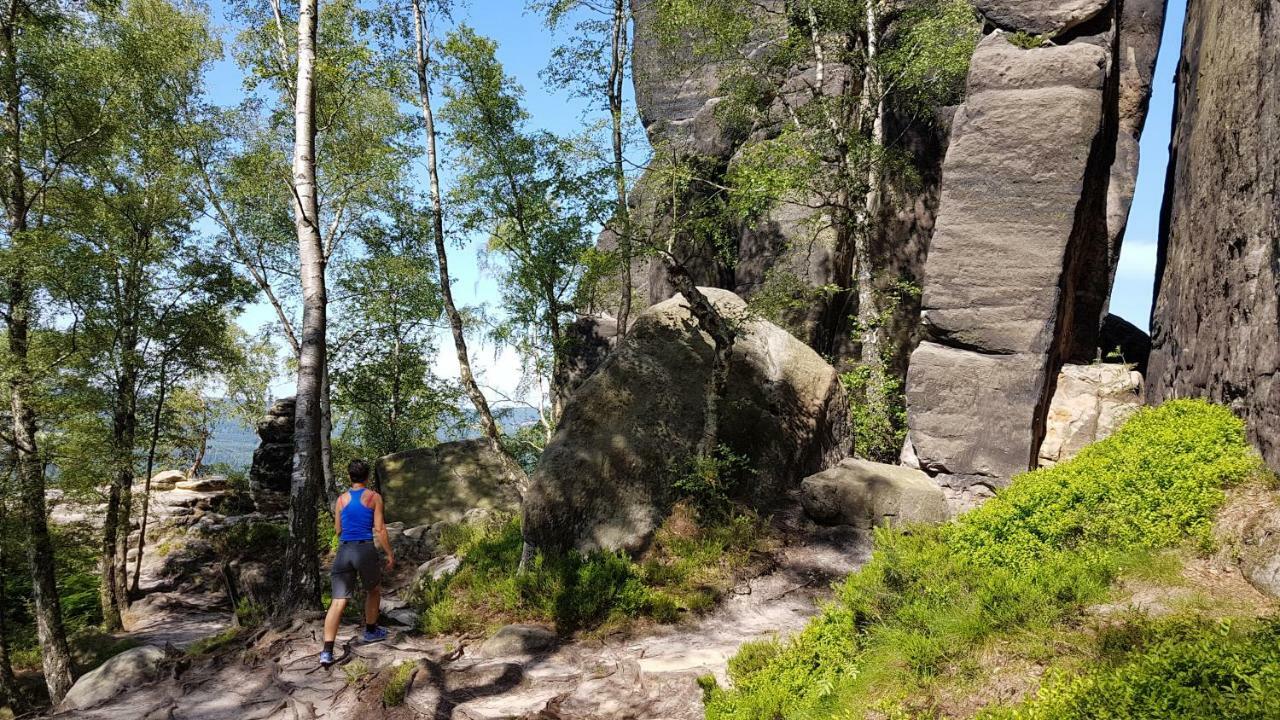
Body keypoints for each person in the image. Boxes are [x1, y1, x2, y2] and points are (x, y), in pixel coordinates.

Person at [320, 459, 395, 666]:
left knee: (338, 601)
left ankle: (327, 651)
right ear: (367, 477)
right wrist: (389, 553)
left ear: (349, 477)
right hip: (364, 549)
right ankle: (371, 630)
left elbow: (337, 529)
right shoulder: (373, 497)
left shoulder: (341, 500)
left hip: (344, 550)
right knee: (373, 589)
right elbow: (379, 529)